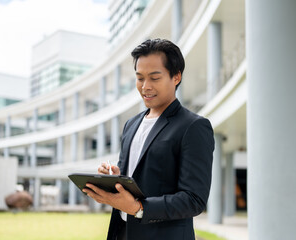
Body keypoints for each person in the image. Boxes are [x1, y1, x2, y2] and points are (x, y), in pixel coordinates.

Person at [83, 38, 214, 240]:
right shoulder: (131, 125)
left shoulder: (194, 126)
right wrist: (114, 176)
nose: (145, 86)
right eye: (140, 78)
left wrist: (139, 208)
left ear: (176, 77)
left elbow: (194, 199)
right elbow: (135, 175)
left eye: (154, 78)